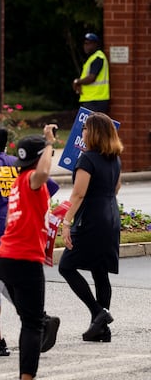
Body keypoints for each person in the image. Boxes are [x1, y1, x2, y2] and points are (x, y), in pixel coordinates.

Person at [0, 123, 60, 356]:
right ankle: (40, 319)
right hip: (17, 230)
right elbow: (49, 187)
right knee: (7, 282)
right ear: (6, 142)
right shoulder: (19, 164)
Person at [0, 124, 58, 380]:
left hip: (5, 258)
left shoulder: (18, 182)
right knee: (32, 325)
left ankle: (43, 325)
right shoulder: (32, 181)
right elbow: (42, 172)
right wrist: (50, 142)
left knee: (30, 318)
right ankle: (26, 376)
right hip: (24, 258)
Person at [59, 112, 122, 343]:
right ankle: (101, 330)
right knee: (100, 270)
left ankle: (98, 313)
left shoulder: (87, 159)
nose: (82, 132)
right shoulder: (115, 158)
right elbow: (116, 188)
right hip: (111, 216)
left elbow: (79, 193)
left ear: (93, 132)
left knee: (66, 266)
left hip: (92, 219)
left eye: (85, 128)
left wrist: (66, 223)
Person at [72, 33, 110, 114]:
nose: (86, 46)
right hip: (91, 99)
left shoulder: (98, 58)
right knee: (88, 126)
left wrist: (77, 82)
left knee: (91, 126)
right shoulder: (92, 58)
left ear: (95, 44)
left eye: (89, 44)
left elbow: (91, 78)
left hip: (96, 99)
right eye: (85, 43)